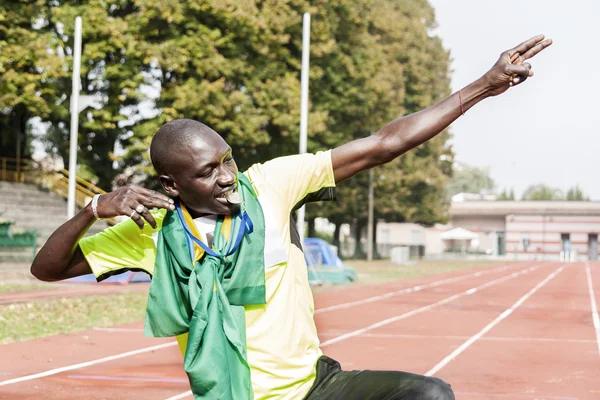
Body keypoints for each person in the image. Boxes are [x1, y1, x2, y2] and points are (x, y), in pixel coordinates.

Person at [31, 35, 551, 400]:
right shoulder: (152, 234)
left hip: (316, 387)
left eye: (227, 159)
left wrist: (484, 85)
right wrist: (92, 209)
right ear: (172, 185)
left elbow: (383, 144)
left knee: (428, 393)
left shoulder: (272, 183)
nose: (228, 176)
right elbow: (48, 269)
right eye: (208, 172)